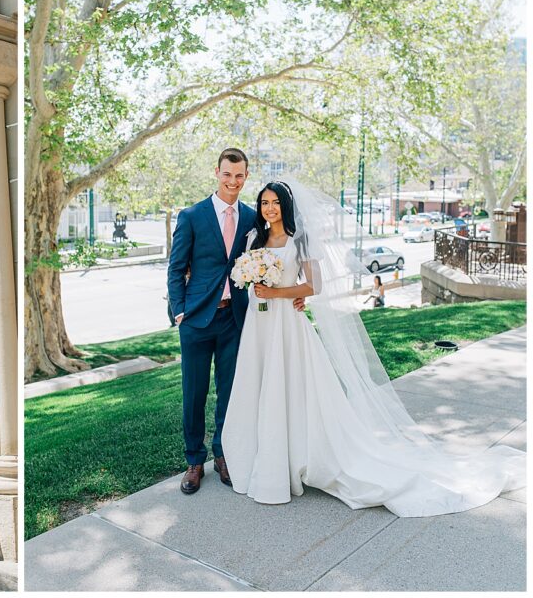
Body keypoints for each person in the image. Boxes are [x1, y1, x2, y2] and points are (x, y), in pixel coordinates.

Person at [223, 179, 526, 516]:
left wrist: (279, 294)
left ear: (286, 206)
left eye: (276, 202)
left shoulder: (301, 239)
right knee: (261, 386)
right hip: (259, 326)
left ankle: (295, 459)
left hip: (287, 327)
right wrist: (256, 287)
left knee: (292, 390)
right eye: (265, 202)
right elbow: (246, 279)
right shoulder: (254, 238)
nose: (269, 209)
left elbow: (313, 285)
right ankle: (265, 457)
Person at [166, 149, 305, 495]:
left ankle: (223, 454)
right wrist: (180, 311)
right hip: (196, 320)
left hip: (235, 319)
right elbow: (175, 268)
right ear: (217, 173)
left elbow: (274, 255)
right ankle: (194, 460)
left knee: (231, 391)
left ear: (246, 176)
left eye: (240, 176)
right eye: (227, 175)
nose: (233, 182)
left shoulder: (251, 218)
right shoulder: (192, 216)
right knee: (194, 393)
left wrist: (295, 292)